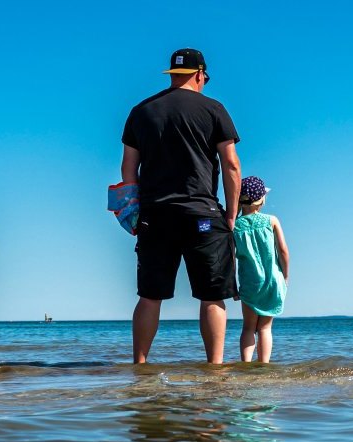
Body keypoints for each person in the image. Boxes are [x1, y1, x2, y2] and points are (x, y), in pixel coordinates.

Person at [120, 47, 241, 364]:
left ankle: (140, 368)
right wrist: (230, 214)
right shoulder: (213, 109)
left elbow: (128, 169)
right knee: (212, 297)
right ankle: (214, 370)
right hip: (202, 214)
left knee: (149, 297)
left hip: (155, 216)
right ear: (200, 74)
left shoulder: (141, 111)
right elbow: (231, 165)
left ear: (173, 75)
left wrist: (134, 213)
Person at [234, 176, 290, 363]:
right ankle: (264, 365)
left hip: (250, 282)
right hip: (273, 280)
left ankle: (246, 365)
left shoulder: (234, 226)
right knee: (265, 328)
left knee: (248, 327)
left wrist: (232, 285)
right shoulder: (271, 220)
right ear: (262, 199)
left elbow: (229, 260)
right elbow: (283, 251)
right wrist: (285, 275)